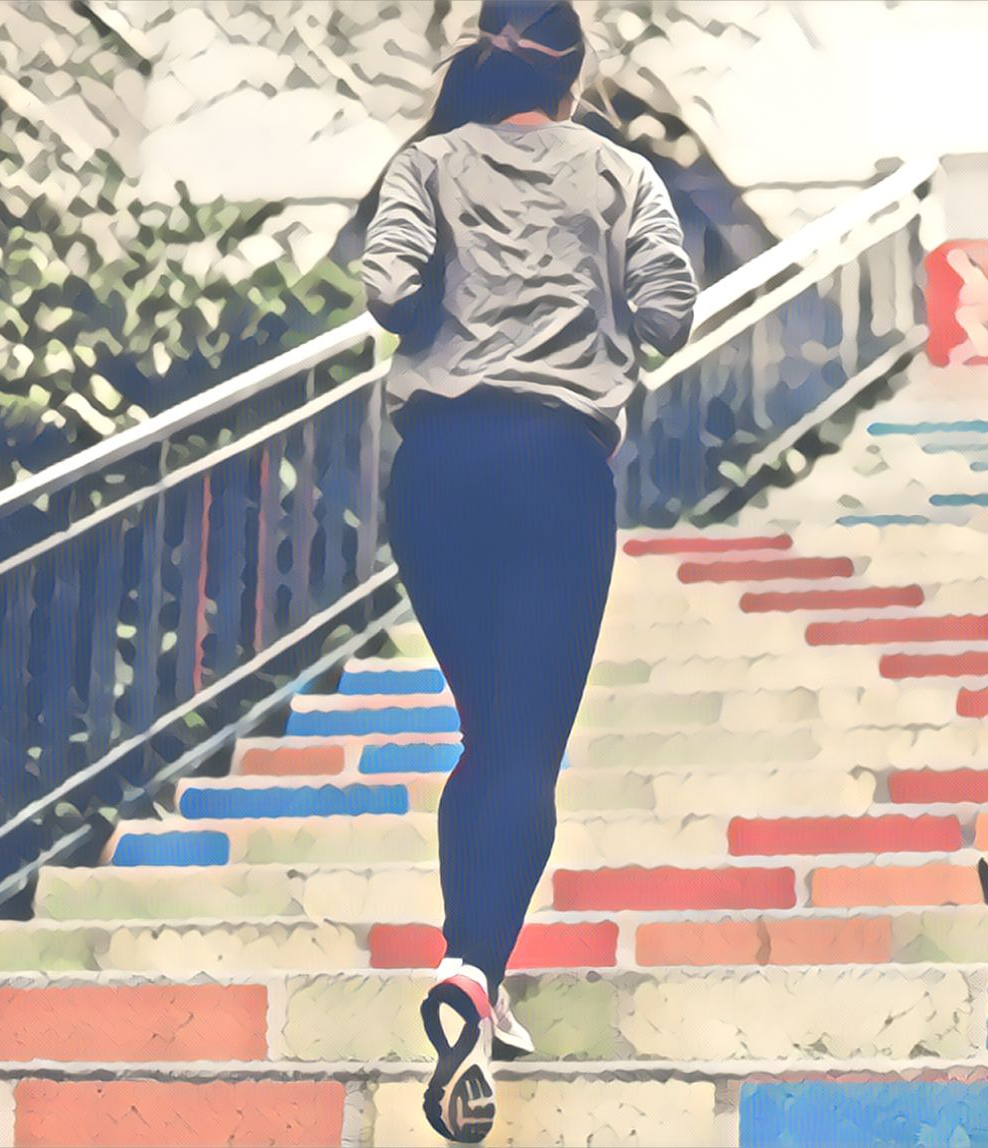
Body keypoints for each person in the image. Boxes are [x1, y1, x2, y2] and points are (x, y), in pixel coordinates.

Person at [360, 2, 698, 1141]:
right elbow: (666, 312)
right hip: (554, 470)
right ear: (572, 74)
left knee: (484, 735)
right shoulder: (621, 176)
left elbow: (388, 293)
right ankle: (468, 969)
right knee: (524, 750)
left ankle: (478, 973)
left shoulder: (426, 164)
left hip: (437, 470)